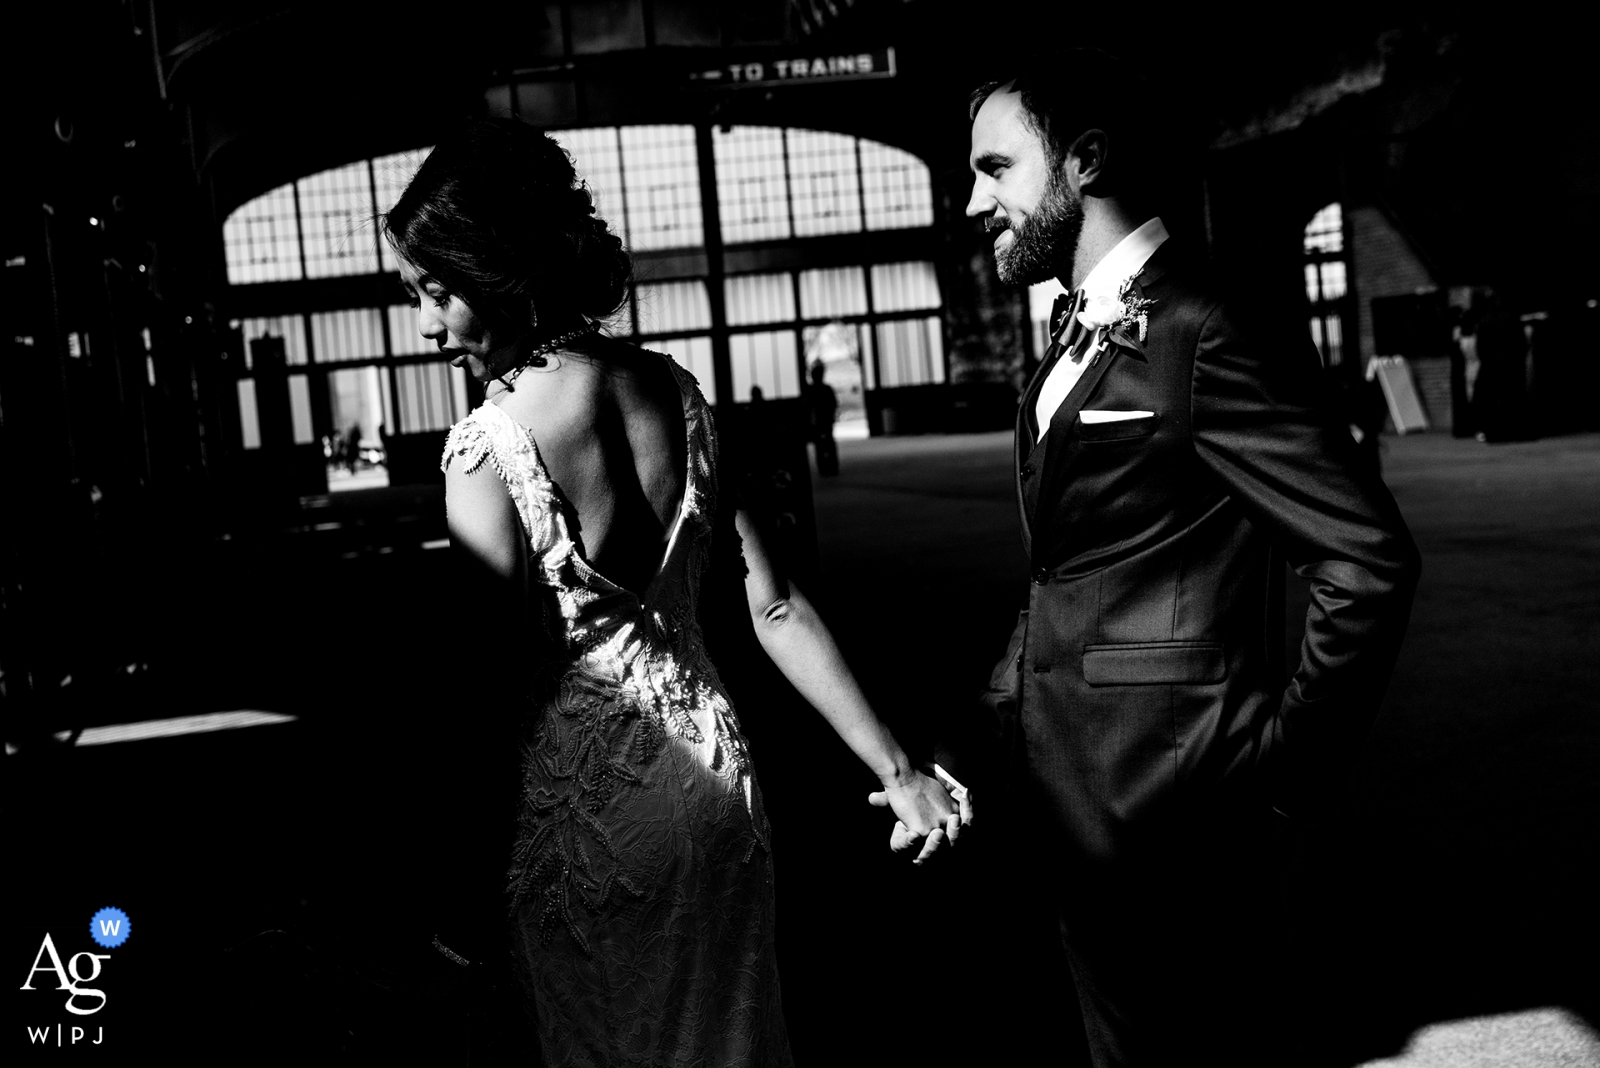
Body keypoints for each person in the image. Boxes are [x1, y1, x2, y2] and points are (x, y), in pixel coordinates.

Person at [382, 118, 967, 1066]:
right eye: (413, 292)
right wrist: (899, 774)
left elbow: (489, 695)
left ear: (500, 269)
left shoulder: (486, 454)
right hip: (719, 788)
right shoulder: (674, 392)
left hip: (584, 821)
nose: (423, 322)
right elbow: (776, 608)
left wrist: (451, 886)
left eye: (437, 291)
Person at [960, 52, 1420, 1066]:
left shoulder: (1201, 325)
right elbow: (1079, 566)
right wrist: (1008, 703)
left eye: (995, 170)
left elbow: (1366, 559)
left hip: (1175, 801)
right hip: (1069, 787)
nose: (971, 202)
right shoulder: (1069, 339)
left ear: (1082, 162)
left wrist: (1277, 772)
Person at [803, 360, 840, 476]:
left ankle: (826, 467)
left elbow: (833, 404)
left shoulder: (814, 390)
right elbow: (833, 404)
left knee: (822, 445)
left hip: (821, 421)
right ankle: (829, 467)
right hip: (821, 421)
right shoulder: (823, 389)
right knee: (825, 444)